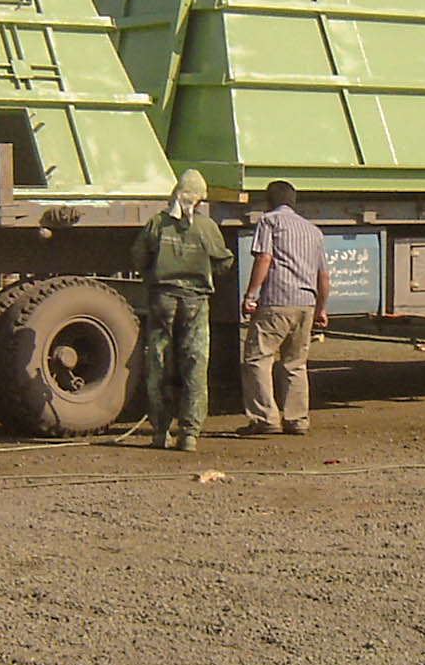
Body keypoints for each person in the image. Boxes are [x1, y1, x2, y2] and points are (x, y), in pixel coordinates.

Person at [129, 168, 230, 453]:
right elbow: (223, 260)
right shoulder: (206, 227)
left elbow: (139, 256)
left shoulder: (156, 224)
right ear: (199, 199)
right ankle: (190, 434)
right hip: (195, 302)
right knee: (195, 362)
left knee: (159, 361)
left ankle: (160, 431)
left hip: (162, 298)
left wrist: (153, 277)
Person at [239, 180, 328, 435]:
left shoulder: (269, 222)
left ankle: (265, 418)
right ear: (294, 202)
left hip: (277, 301)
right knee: (295, 362)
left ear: (269, 202)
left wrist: (251, 295)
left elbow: (264, 257)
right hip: (306, 305)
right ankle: (297, 419)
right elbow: (324, 275)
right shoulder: (313, 231)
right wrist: (321, 308)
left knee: (257, 358)